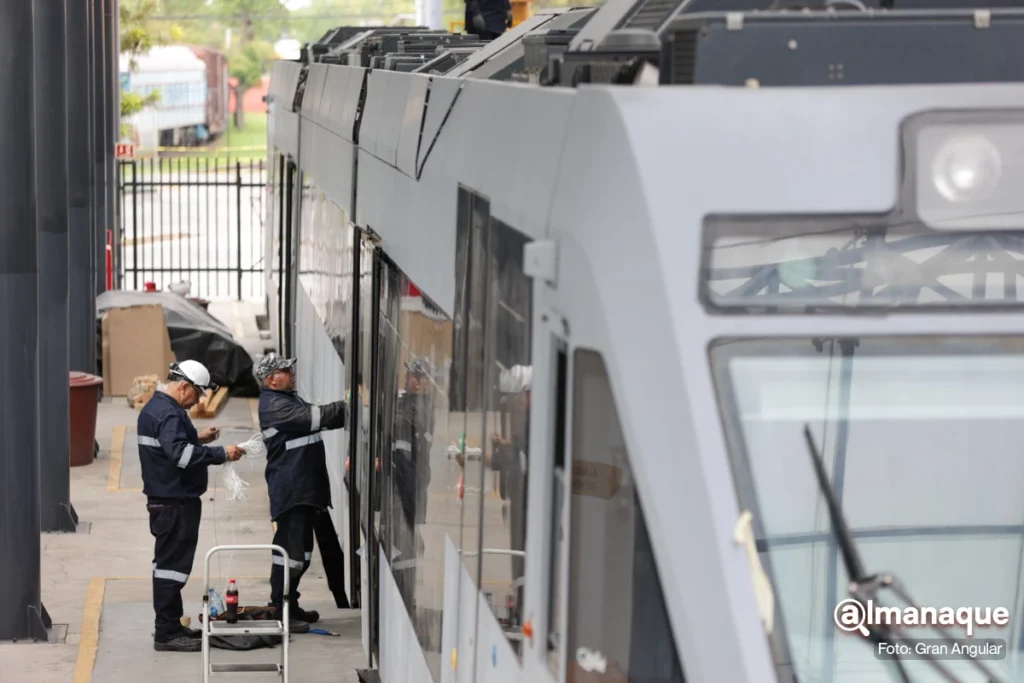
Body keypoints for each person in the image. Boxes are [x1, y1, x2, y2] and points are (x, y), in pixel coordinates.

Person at [138, 360, 245, 653]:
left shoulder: (156, 408)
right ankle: (167, 633)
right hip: (175, 503)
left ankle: (171, 626)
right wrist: (221, 453)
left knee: (169, 567)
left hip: (168, 501)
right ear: (183, 386)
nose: (198, 401)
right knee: (171, 570)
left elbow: (168, 445)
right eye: (197, 394)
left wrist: (197, 437)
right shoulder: (170, 414)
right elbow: (181, 456)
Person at [256, 352, 348, 633]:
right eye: (286, 371)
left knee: (301, 554)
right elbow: (315, 417)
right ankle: (281, 608)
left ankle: (290, 604)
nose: (292, 373)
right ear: (272, 380)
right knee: (291, 554)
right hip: (292, 490)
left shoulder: (287, 399)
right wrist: (352, 407)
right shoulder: (275, 406)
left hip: (303, 489)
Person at [390, 357, 436, 609]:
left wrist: (408, 500)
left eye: (417, 377)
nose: (411, 380)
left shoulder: (419, 410)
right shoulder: (408, 406)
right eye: (411, 376)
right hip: (406, 490)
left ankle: (404, 599)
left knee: (407, 546)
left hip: (409, 489)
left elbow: (409, 462)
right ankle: (403, 597)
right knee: (406, 545)